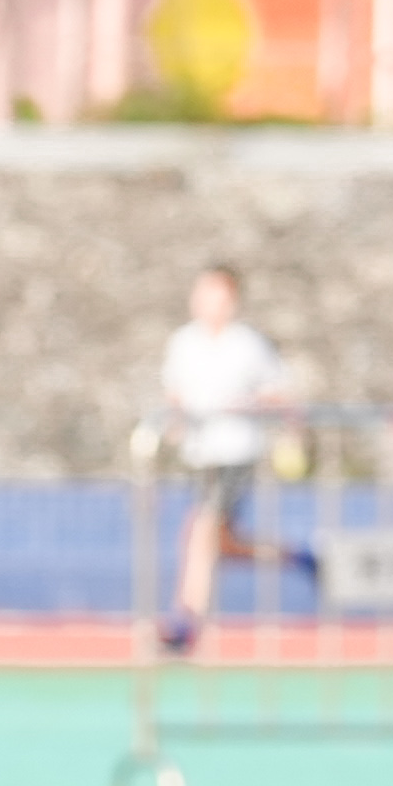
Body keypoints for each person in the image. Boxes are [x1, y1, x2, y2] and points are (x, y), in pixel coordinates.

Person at [157, 261, 304, 650]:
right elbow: (174, 391)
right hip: (199, 454)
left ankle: (186, 621)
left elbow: (280, 391)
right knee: (219, 543)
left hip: (237, 451)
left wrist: (251, 405)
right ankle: (296, 557)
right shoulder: (184, 342)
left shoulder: (247, 343)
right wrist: (175, 422)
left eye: (217, 295)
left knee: (201, 530)